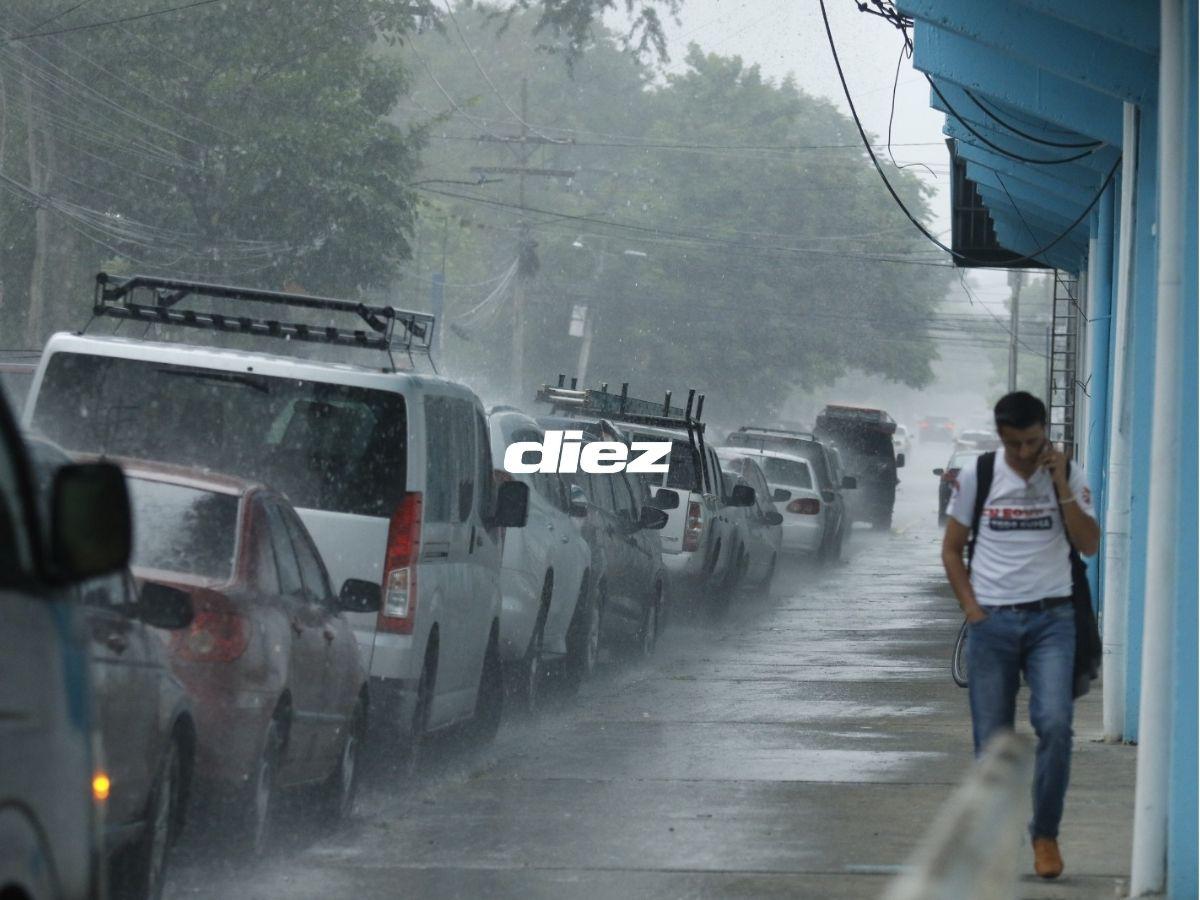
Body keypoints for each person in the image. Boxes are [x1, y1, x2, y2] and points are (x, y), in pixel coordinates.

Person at [940, 392, 1100, 880]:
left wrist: (1061, 486)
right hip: (993, 623)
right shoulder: (980, 476)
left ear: (1043, 432)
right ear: (1001, 437)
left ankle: (1045, 834)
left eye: (1033, 441)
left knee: (1055, 724)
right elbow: (951, 550)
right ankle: (990, 845)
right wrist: (973, 609)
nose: (1026, 453)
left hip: (1053, 621)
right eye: (1016, 445)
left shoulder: (1067, 475)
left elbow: (1089, 544)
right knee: (991, 741)